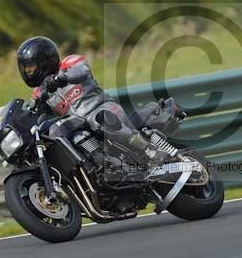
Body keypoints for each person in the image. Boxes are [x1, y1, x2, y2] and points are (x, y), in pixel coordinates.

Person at [16, 36, 159, 165]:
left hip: (103, 109)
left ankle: (149, 149)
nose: (28, 73)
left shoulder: (69, 63)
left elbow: (82, 71)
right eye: (26, 70)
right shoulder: (39, 92)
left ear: (44, 61)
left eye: (31, 69)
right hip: (80, 126)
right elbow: (36, 116)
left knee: (100, 120)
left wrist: (61, 79)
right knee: (66, 137)